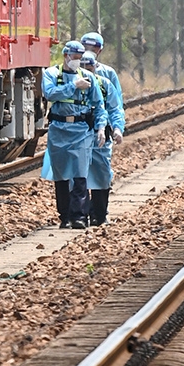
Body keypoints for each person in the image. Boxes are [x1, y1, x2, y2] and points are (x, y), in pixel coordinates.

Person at [41, 39, 108, 229]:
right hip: (59, 130)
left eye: (80, 58)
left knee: (80, 173)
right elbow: (50, 94)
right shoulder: (51, 74)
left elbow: (99, 105)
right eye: (74, 57)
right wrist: (74, 86)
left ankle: (79, 216)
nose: (77, 61)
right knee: (61, 175)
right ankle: (65, 216)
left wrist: (101, 128)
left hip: (81, 131)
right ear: (65, 56)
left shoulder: (88, 77)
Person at [80, 32, 126, 225]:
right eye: (86, 46)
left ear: (99, 50)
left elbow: (116, 105)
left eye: (93, 47)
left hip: (101, 131)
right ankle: (79, 215)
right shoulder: (70, 73)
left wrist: (117, 128)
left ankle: (99, 215)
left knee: (101, 172)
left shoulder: (108, 75)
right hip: (79, 130)